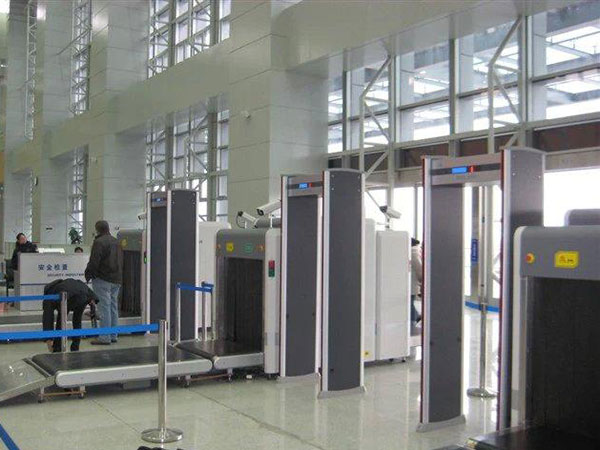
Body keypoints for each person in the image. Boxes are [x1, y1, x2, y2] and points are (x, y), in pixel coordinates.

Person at [85, 220, 123, 345]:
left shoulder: (99, 242)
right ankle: (113, 335)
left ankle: (105, 337)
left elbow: (94, 261)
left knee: (104, 308)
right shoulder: (116, 241)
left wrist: (88, 274)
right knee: (113, 307)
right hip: (116, 279)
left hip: (103, 279)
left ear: (97, 229)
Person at [43, 278, 99, 352]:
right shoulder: (66, 283)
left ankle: (57, 347)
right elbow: (87, 290)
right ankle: (75, 347)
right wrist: (92, 306)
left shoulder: (50, 294)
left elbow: (48, 318)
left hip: (67, 297)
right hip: (83, 295)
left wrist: (48, 340)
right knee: (77, 320)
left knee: (61, 321)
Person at [410, 238, 422, 324]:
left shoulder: (413, 252)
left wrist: (421, 279)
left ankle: (415, 319)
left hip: (412, 282)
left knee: (409, 303)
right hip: (414, 282)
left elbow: (419, 268)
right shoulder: (416, 251)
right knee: (410, 303)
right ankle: (416, 317)